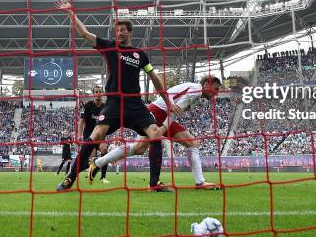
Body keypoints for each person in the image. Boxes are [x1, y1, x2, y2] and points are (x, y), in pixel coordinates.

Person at [55, 0, 182, 191]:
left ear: (130, 32)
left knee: (156, 135)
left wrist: (168, 101)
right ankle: (70, 178)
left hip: (135, 105)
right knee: (96, 134)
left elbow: (154, 78)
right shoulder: (110, 47)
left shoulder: (140, 55)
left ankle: (154, 184)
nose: (120, 33)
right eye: (118, 31)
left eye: (123, 30)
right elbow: (85, 34)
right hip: (114, 103)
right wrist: (71, 13)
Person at [89, 76, 222, 190]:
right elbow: (173, 112)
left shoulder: (193, 89)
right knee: (192, 143)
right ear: (206, 84)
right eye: (215, 89)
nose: (216, 93)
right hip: (158, 113)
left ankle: (98, 163)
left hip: (158, 112)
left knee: (139, 148)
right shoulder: (196, 91)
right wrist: (163, 129)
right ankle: (199, 182)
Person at [79, 86, 110, 183]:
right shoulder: (87, 105)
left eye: (100, 91)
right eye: (96, 91)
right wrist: (79, 135)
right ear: (93, 94)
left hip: (100, 136)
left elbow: (109, 122)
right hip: (90, 136)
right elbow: (81, 121)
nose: (98, 93)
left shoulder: (105, 107)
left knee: (104, 150)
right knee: (93, 155)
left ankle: (103, 177)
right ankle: (88, 172)